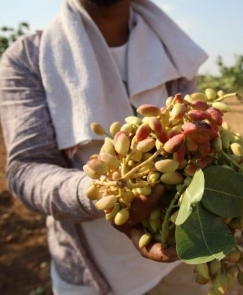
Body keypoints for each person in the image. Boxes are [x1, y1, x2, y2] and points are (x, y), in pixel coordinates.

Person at [0, 0, 209, 294]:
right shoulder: (26, 59)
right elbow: (26, 170)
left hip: (178, 262)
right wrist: (107, 192)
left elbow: (192, 136)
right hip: (92, 280)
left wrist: (223, 176)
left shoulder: (173, 48)